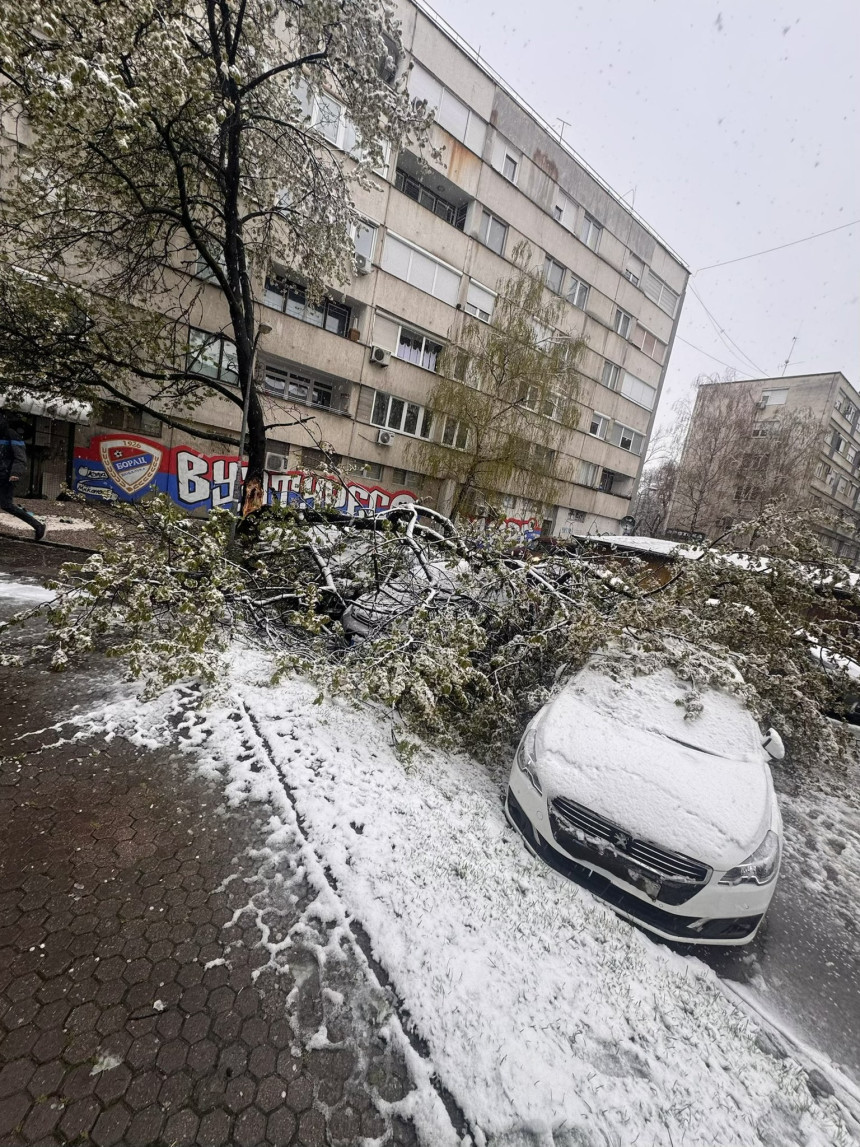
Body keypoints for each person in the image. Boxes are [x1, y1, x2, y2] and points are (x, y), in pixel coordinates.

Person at [0, 413, 46, 541]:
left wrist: (15, 473)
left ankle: (38, 526)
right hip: (3, 473)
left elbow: (20, 458)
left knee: (6, 505)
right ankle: (38, 526)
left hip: (6, 476)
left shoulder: (11, 435)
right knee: (6, 505)